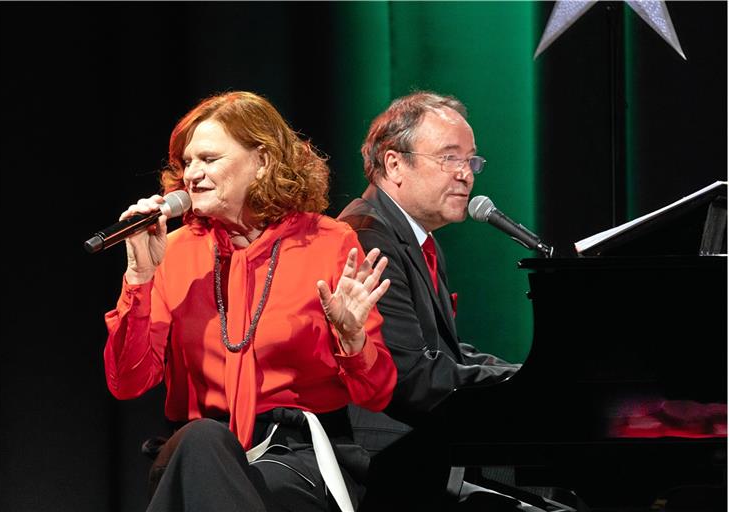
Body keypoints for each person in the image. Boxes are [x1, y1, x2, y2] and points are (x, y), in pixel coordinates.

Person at [102, 91, 397, 512]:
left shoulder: (328, 242)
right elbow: (128, 382)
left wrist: (352, 340)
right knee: (203, 441)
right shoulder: (175, 251)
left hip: (296, 457)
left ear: (262, 161)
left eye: (208, 159)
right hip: (194, 452)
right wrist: (139, 279)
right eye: (187, 163)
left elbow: (377, 394)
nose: (192, 175)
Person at [337, 92, 522, 510]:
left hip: (418, 454)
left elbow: (439, 350)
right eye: (449, 158)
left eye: (471, 161)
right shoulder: (366, 235)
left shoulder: (411, 235)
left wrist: (520, 375)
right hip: (382, 468)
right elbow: (409, 373)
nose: (466, 175)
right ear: (394, 164)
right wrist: (523, 389)